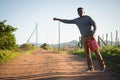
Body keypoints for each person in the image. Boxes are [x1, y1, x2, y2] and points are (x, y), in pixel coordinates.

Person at [53, 7, 106, 72]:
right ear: (77, 13)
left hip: (90, 37)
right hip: (83, 38)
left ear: (84, 12)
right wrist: (58, 19)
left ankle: (103, 66)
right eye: (79, 11)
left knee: (96, 52)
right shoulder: (76, 20)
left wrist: (93, 33)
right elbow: (67, 21)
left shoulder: (88, 18)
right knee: (87, 54)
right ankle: (90, 68)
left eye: (81, 11)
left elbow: (95, 26)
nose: (80, 12)